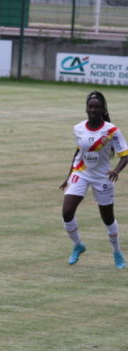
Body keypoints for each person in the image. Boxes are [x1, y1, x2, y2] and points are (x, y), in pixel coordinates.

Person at [60, 90, 128, 268]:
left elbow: (125, 155)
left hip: (102, 178)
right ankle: (78, 245)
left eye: (97, 107)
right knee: (67, 212)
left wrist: (116, 170)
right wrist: (69, 176)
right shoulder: (79, 128)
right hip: (81, 173)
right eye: (91, 107)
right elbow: (78, 152)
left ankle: (117, 252)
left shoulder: (111, 131)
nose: (94, 110)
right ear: (86, 109)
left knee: (107, 219)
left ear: (103, 109)